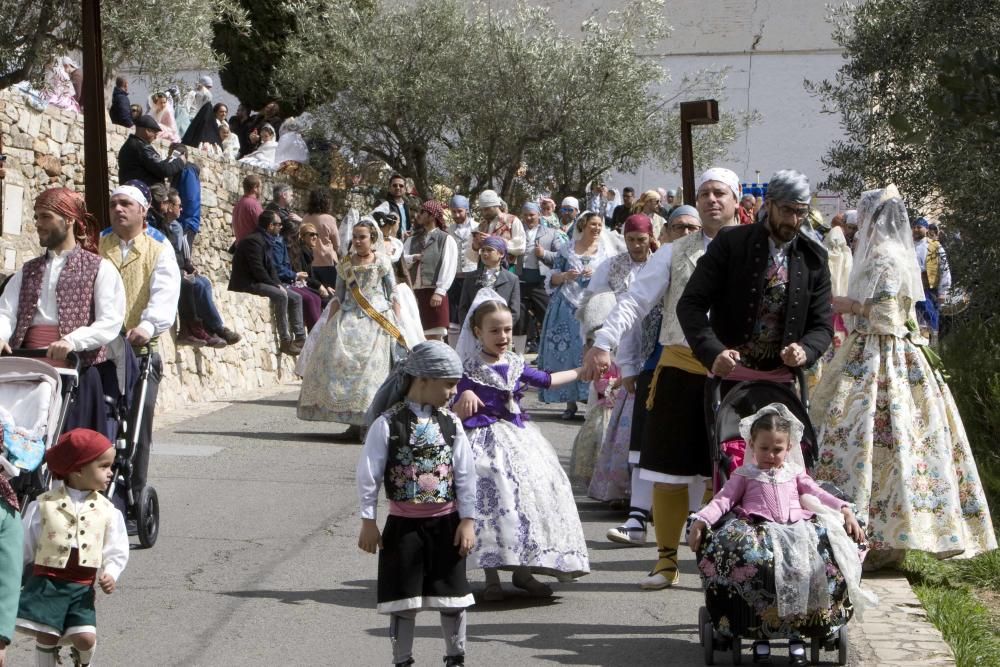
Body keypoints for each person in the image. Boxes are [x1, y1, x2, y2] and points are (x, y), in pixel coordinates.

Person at [810, 185, 996, 568]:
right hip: (877, 351)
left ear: (875, 218)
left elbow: (888, 317)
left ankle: (875, 534)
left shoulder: (885, 256)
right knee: (887, 446)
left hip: (881, 354)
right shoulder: (895, 253)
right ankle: (881, 534)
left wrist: (850, 305)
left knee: (873, 440)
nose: (860, 227)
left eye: (864, 218)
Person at [582, 167, 742, 589]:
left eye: (719, 193)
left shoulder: (752, 248)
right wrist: (604, 342)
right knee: (670, 470)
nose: (711, 200)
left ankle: (727, 564)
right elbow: (636, 300)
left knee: (732, 470)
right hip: (681, 366)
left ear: (736, 202)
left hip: (737, 372)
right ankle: (666, 562)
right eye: (705, 193)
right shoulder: (674, 252)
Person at [688, 405, 873, 666]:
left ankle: (797, 637)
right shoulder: (744, 475)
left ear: (788, 448)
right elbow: (723, 500)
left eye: (778, 449)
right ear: (752, 444)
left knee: (808, 570)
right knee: (761, 570)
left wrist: (844, 510)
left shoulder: (795, 473)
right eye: (764, 448)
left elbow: (818, 493)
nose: (771, 455)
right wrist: (701, 520)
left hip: (797, 530)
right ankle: (760, 636)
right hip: (759, 529)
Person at [452, 293, 590, 600]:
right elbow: (451, 404)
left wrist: (583, 372)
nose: (502, 337)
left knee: (531, 493)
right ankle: (490, 576)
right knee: (489, 493)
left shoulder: (514, 363)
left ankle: (523, 570)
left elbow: (547, 380)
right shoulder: (467, 369)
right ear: (478, 332)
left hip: (520, 437)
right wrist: (463, 400)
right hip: (483, 439)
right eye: (494, 331)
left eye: (507, 330)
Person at [357, 341, 475, 667]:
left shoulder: (451, 424)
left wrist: (468, 520)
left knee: (453, 598)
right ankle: (402, 660)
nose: (453, 391)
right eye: (449, 384)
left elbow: (465, 474)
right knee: (403, 601)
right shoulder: (388, 424)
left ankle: (456, 657)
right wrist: (369, 519)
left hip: (446, 525)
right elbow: (369, 474)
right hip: (403, 527)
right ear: (422, 380)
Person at [604, 205, 703, 546]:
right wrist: (627, 366)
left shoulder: (710, 264)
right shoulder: (658, 267)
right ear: (665, 234)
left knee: (696, 447)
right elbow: (634, 315)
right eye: (678, 227)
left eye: (692, 227)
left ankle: (694, 518)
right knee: (650, 446)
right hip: (655, 365)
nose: (685, 233)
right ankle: (637, 518)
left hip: (701, 365)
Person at [0, 188, 125, 438]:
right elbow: (6, 311)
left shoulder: (99, 268)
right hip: (27, 369)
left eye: (45, 217)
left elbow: (110, 321)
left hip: (76, 370)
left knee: (71, 452)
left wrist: (71, 341)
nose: (38, 224)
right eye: (36, 217)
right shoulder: (27, 271)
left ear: (68, 220)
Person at [99, 185, 179, 519]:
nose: (118, 209)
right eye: (114, 204)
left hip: (140, 349)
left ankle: (133, 495)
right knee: (101, 420)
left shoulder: (159, 247)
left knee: (137, 424)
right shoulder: (99, 242)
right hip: (102, 349)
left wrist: (148, 325)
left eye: (126, 204)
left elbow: (165, 293)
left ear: (143, 210)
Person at [15, 429, 128, 667]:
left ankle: (83, 661)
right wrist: (15, 576)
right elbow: (25, 543)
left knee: (85, 638)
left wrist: (111, 572)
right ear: (78, 469)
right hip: (47, 581)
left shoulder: (108, 510)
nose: (110, 473)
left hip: (81, 585)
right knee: (47, 634)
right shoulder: (44, 504)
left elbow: (116, 547)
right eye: (104, 466)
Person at [298, 218, 404, 435]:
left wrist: (399, 321)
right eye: (355, 237)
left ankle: (369, 420)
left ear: (372, 238)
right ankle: (353, 421)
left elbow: (392, 292)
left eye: (362, 237)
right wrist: (328, 327)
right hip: (348, 316)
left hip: (376, 319)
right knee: (341, 364)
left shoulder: (382, 262)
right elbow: (339, 295)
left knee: (372, 369)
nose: (357, 241)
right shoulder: (345, 263)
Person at [584, 214, 657, 503]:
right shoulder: (612, 266)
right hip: (617, 345)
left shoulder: (660, 264)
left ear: (651, 238)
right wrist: (595, 340)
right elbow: (594, 303)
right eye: (631, 240)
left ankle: (647, 494)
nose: (637, 246)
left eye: (642, 240)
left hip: (651, 344)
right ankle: (619, 489)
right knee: (616, 413)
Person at [537, 211, 613, 420]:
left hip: (594, 307)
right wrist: (564, 276)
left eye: (599, 225)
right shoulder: (567, 249)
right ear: (582, 226)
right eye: (593, 225)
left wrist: (597, 274)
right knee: (569, 353)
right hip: (566, 306)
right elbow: (551, 278)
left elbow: (613, 278)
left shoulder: (606, 251)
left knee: (590, 351)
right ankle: (569, 403)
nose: (597, 228)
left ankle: (592, 400)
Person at [157, 189, 237, 347]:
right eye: (179, 205)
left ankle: (212, 327)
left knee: (204, 282)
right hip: (171, 271)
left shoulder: (177, 227)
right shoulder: (161, 227)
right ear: (169, 206)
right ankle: (211, 328)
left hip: (179, 268)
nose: (181, 209)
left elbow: (180, 253)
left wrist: (188, 267)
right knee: (194, 285)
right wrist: (181, 271)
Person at [229, 210, 305, 355]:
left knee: (296, 297)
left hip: (260, 281)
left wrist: (278, 284)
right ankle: (285, 340)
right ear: (270, 226)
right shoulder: (254, 241)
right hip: (248, 283)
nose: (281, 227)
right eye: (278, 225)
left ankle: (300, 339)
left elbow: (271, 269)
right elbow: (258, 270)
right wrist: (276, 286)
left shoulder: (266, 241)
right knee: (281, 296)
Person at [402, 201, 459, 341]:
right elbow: (402, 261)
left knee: (434, 337)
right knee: (415, 335)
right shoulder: (412, 239)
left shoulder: (446, 239)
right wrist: (413, 258)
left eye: (422, 212)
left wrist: (440, 291)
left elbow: (448, 266)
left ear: (432, 216)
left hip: (434, 293)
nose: (418, 215)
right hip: (414, 293)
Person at [512, 201, 562, 353]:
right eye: (526, 215)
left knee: (547, 317)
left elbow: (561, 256)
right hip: (520, 281)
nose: (528, 218)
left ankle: (549, 353)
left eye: (532, 215)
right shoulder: (516, 231)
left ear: (539, 215)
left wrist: (544, 254)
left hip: (541, 283)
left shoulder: (551, 233)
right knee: (519, 319)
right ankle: (519, 356)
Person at [457, 236, 519, 326]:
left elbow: (514, 312)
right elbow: (463, 308)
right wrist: (470, 328)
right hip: (475, 330)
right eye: (482, 250)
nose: (485, 253)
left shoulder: (512, 279)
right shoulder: (471, 277)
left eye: (489, 250)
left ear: (501, 254)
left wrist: (501, 329)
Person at [117, 115, 186, 188]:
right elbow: (164, 170)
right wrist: (180, 161)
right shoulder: (142, 147)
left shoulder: (131, 144)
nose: (156, 137)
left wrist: (171, 158)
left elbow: (158, 166)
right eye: (155, 134)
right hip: (140, 193)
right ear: (148, 131)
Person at [911, 216, 950, 342]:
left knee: (930, 315)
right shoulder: (908, 246)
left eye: (919, 227)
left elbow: (944, 269)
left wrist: (943, 291)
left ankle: (933, 345)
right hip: (911, 287)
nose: (916, 230)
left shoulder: (935, 247)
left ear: (926, 229)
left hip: (928, 288)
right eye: (914, 227)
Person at [447, 195, 477, 340]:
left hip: (472, 274)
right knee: (453, 314)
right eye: (453, 212)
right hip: (454, 276)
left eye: (459, 211)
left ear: (467, 210)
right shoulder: (449, 229)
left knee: (471, 310)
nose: (457, 215)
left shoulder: (477, 227)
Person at [471, 190, 526, 260]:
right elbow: (472, 257)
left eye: (487, 209)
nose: (484, 213)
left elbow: (520, 246)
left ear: (496, 206)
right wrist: (476, 246)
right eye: (482, 210)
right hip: (484, 268)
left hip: (506, 267)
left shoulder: (512, 221)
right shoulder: (481, 225)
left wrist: (494, 241)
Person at [302, 189, 339, 290]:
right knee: (330, 292)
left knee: (315, 292)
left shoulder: (305, 217)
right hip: (326, 261)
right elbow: (337, 244)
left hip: (309, 260)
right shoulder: (329, 219)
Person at [231, 174, 264, 243]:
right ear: (255, 188)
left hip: (240, 248)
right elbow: (264, 227)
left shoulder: (238, 204)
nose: (261, 190)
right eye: (261, 187)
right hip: (252, 248)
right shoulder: (253, 204)